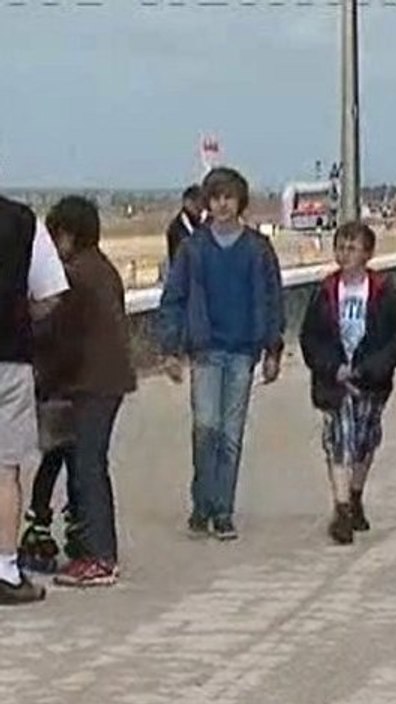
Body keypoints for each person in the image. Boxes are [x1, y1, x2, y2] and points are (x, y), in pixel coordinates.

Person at [157, 167, 285, 541]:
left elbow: (272, 300)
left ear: (240, 201)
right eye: (215, 198)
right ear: (207, 203)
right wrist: (170, 348)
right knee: (205, 428)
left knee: (230, 434)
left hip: (243, 351)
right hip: (206, 350)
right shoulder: (193, 249)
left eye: (229, 197)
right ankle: (203, 501)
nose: (222, 204)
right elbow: (174, 299)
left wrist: (273, 349)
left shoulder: (258, 249)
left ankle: (223, 511)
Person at [24, 197, 137, 588]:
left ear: (67, 236)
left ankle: (101, 557)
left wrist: (44, 381)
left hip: (90, 382)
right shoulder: (103, 269)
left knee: (89, 468)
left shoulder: (72, 276)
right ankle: (94, 548)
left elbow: (60, 338)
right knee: (89, 464)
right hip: (108, 379)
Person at [299, 221, 396, 545]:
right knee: (339, 440)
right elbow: (310, 337)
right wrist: (332, 367)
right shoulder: (324, 293)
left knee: (364, 441)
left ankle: (355, 493)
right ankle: (341, 509)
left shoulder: (383, 292)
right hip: (334, 382)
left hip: (371, 381)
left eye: (352, 248)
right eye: (340, 247)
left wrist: (373, 368)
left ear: (367, 253)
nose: (344, 254)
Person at [0, 194, 69, 604]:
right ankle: (6, 569)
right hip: (9, 359)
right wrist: (20, 317)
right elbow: (51, 293)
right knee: (5, 471)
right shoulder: (24, 221)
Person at [165, 184, 204, 265]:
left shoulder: (208, 222)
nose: (200, 208)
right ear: (186, 202)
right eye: (195, 203)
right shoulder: (175, 229)